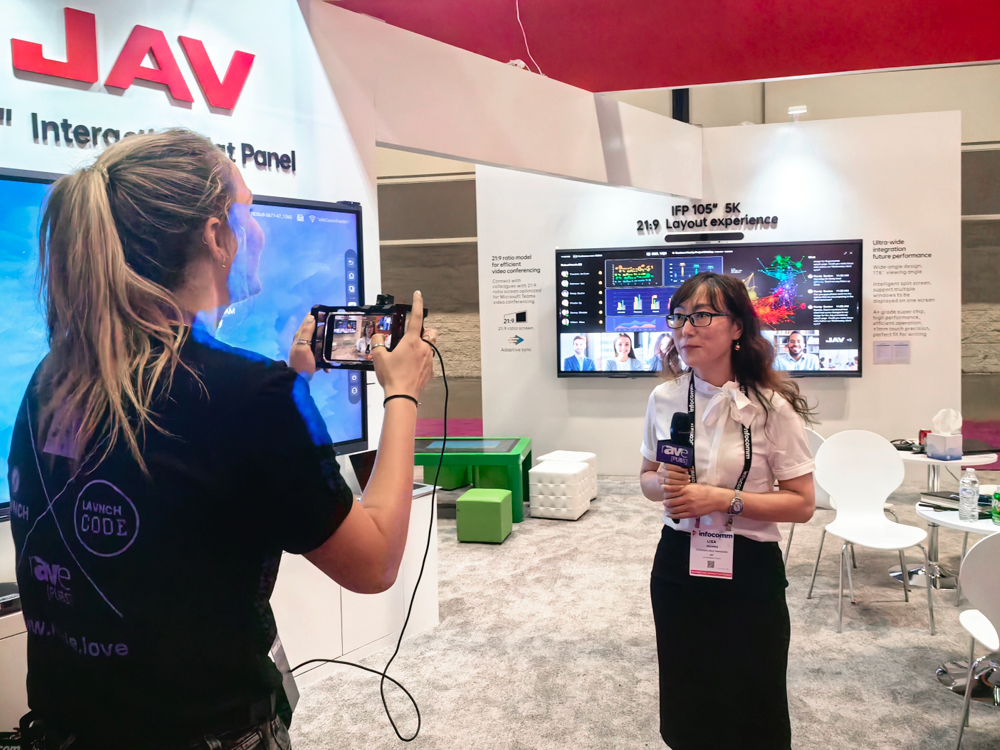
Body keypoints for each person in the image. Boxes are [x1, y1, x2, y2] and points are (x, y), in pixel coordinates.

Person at [7, 129, 436, 749]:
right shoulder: (249, 397)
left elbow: (181, 497)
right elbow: (374, 563)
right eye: (249, 212)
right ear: (216, 235)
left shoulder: (54, 376)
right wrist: (402, 394)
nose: (258, 232)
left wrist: (292, 383)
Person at [639, 273, 816, 750]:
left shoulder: (772, 407)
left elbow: (803, 503)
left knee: (752, 696)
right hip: (678, 563)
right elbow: (647, 479)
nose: (686, 329)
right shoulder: (664, 398)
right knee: (687, 691)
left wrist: (722, 499)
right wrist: (664, 486)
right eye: (679, 317)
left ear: (737, 327)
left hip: (749, 569)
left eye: (702, 316)